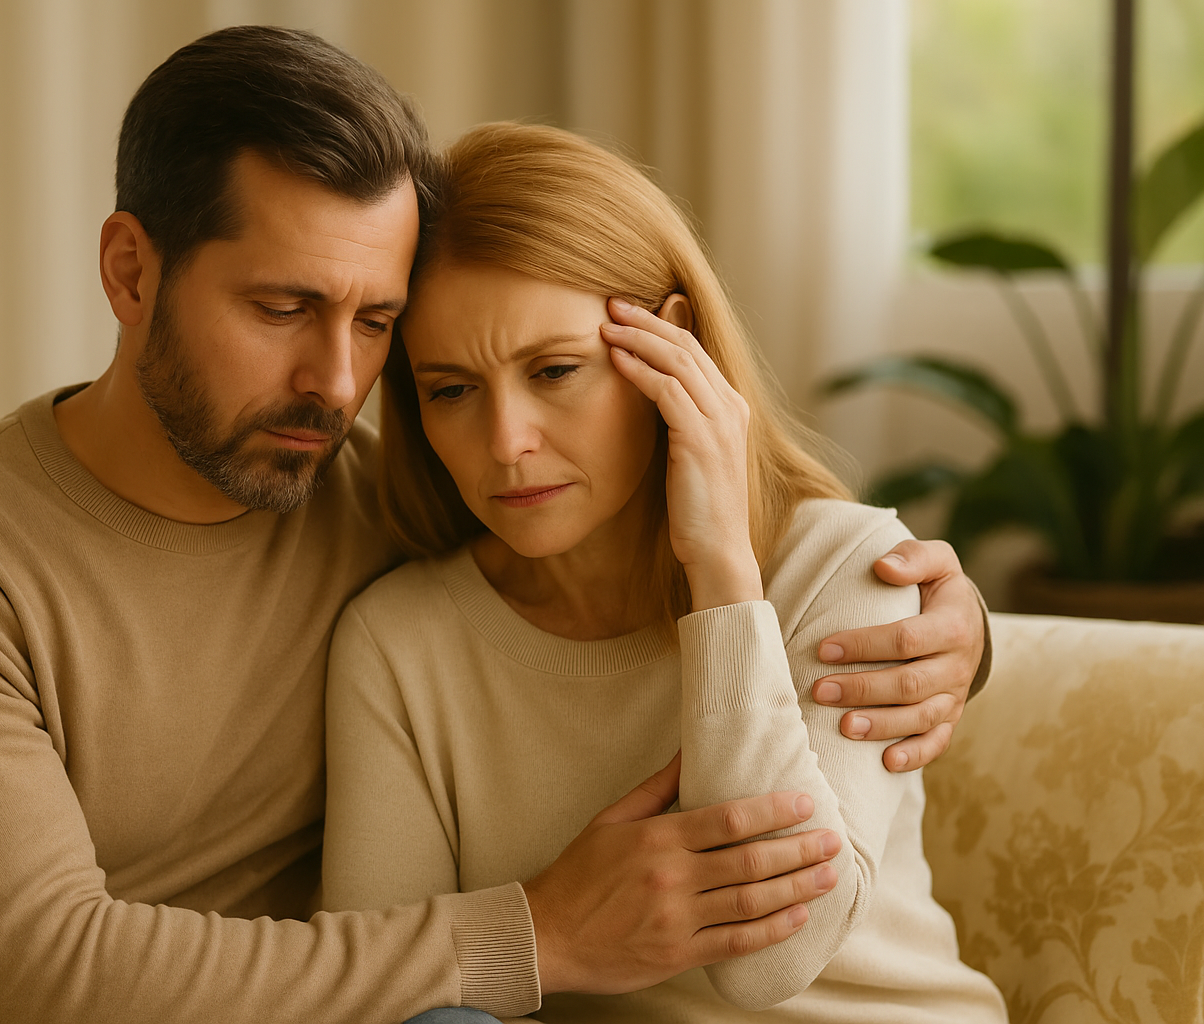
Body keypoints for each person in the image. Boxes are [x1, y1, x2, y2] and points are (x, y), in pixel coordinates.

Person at [0, 27, 990, 1024]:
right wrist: (539, 933)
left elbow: (653, 566)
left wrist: (959, 627)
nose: (337, 383)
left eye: (376, 322)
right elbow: (48, 980)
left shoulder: (381, 502)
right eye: (282, 307)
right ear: (130, 272)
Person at [322, 122, 1007, 1022]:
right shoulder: (398, 641)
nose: (507, 442)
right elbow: (383, 987)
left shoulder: (847, 566)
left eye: (554, 370)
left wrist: (722, 573)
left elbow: (771, 962)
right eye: (451, 390)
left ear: (670, 349)